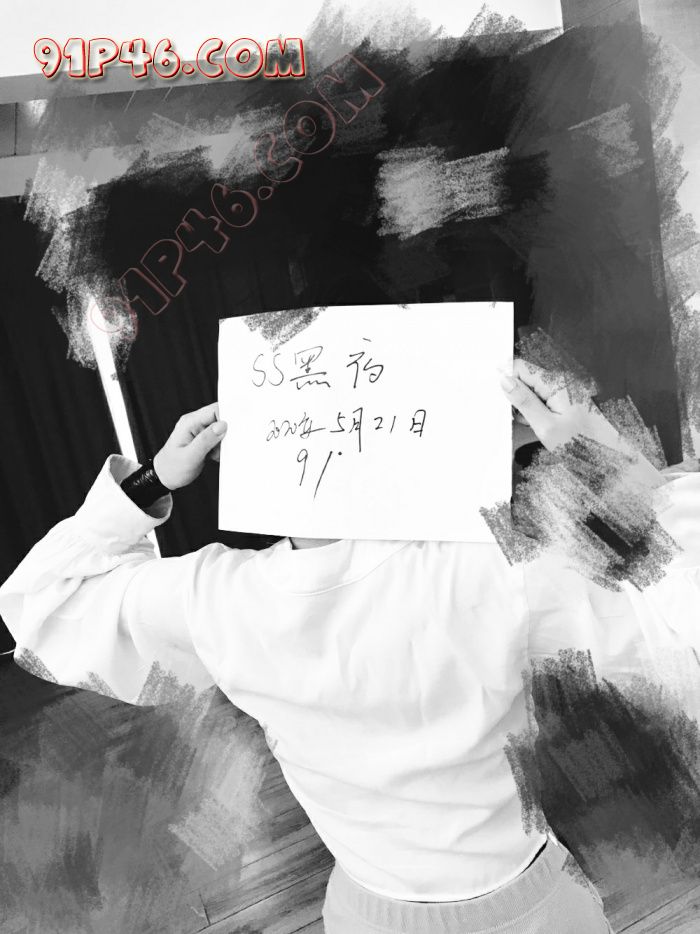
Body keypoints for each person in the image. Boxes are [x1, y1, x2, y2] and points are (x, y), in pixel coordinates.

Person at [1, 360, 699, 934]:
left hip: (367, 913)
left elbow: (38, 602)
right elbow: (681, 623)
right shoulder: (503, 570)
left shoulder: (216, 599)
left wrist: (150, 479)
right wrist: (608, 467)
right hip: (530, 908)